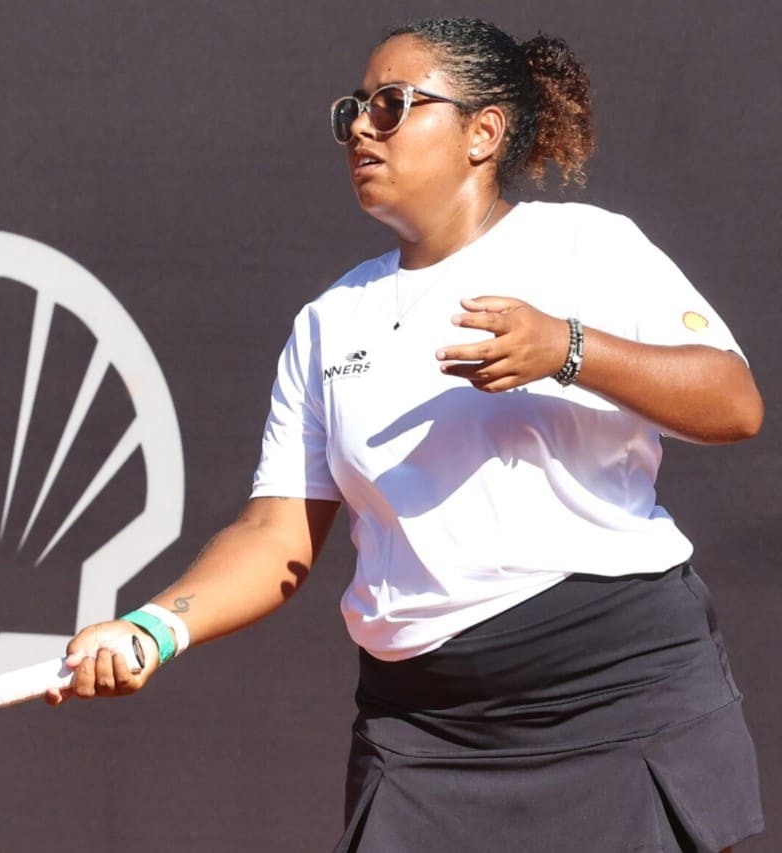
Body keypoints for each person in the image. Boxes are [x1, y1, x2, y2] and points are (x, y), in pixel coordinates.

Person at [46, 16, 765, 852]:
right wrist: (154, 626)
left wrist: (567, 349)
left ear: (482, 132)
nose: (358, 126)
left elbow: (733, 402)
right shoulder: (328, 321)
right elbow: (276, 534)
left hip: (616, 697)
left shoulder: (587, 245)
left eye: (391, 105)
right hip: (422, 732)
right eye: (352, 108)